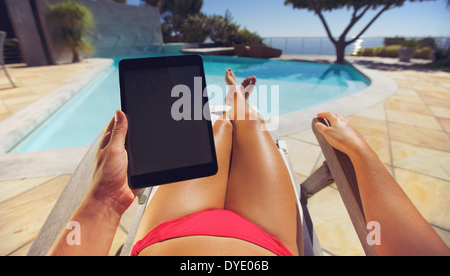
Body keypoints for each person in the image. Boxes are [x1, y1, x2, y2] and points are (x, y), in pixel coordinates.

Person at [48, 69, 449, 256]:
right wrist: (360, 154)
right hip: (266, 238)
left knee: (217, 133)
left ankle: (231, 103)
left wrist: (104, 201)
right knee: (252, 130)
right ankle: (239, 100)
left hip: (170, 232)